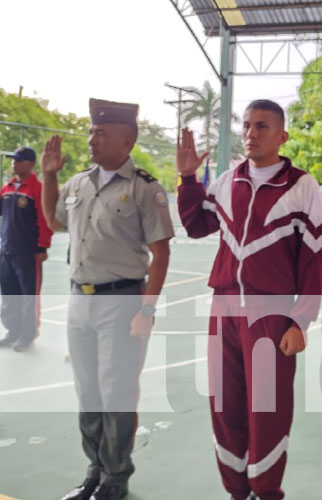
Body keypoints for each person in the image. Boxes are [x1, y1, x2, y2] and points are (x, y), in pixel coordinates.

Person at [176, 99, 322, 500]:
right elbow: (195, 225)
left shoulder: (302, 186)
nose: (251, 134)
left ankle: (266, 491)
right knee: (225, 407)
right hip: (223, 308)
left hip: (270, 312)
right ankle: (236, 491)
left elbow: (315, 258)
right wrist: (188, 178)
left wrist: (301, 321)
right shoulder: (227, 181)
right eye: (246, 126)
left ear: (282, 136)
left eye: (262, 126)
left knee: (268, 409)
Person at [41, 98, 174, 500]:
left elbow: (161, 253)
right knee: (88, 391)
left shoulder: (144, 189)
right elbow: (52, 221)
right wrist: (49, 176)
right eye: (91, 131)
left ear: (126, 140)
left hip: (122, 301)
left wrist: (147, 310)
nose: (91, 138)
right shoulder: (79, 183)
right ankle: (94, 471)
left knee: (116, 391)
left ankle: (116, 476)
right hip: (80, 300)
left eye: (100, 132)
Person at [0, 146, 53, 351]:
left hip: (28, 253)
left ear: (30, 164)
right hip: (6, 251)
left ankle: (27, 335)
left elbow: (45, 219)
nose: (14, 163)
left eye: (18, 160)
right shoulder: (7, 188)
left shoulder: (38, 189)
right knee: (9, 295)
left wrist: (42, 247)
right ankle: (12, 331)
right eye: (13, 160)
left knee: (28, 296)